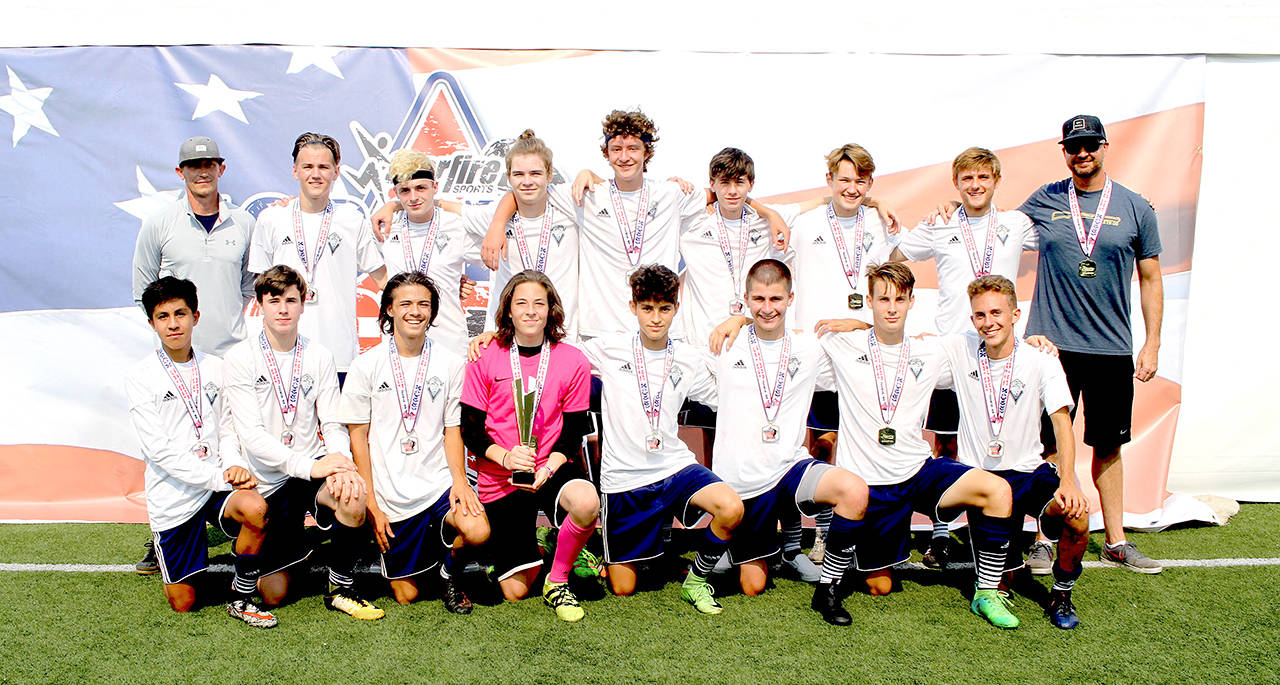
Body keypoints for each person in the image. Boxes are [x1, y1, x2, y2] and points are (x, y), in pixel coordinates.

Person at [936, 116, 1165, 573]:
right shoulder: (1046, 199)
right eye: (1073, 147)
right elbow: (992, 221)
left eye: (1089, 145)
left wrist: (1152, 342)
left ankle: (1117, 540)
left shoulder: (1137, 207)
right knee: (1049, 445)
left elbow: (1151, 277)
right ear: (1064, 151)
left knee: (1109, 446)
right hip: (1051, 347)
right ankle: (1044, 537)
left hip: (1112, 347)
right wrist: (953, 206)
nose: (1082, 154)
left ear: (1104, 146)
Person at [818, 262, 1020, 629]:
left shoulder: (934, 351)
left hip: (918, 470)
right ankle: (843, 560)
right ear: (870, 302)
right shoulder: (842, 345)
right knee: (879, 586)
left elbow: (994, 339)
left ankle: (987, 593)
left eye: (899, 299)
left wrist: (1034, 342)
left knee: (997, 490)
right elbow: (778, 338)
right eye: (883, 299)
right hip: (870, 485)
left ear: (912, 301)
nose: (891, 307)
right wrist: (738, 322)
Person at [890, 147, 1038, 568]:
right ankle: (940, 534)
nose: (975, 185)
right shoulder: (940, 224)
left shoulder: (1016, 223)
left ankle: (997, 530)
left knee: (994, 438)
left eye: (983, 178)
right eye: (967, 179)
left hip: (997, 353)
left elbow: (1066, 237)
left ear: (996, 181)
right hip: (951, 351)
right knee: (943, 440)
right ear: (956, 184)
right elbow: (895, 254)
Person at [707, 259, 869, 625]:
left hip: (790, 466)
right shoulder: (725, 344)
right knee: (752, 585)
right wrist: (739, 322)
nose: (768, 308)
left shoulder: (810, 347)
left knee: (853, 491)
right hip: (744, 479)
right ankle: (749, 548)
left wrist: (861, 322)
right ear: (746, 299)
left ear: (791, 298)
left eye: (776, 299)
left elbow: (876, 345)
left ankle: (828, 590)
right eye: (759, 299)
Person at [222, 265, 383, 620]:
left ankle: (341, 588)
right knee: (275, 594)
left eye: (291, 300)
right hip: (266, 479)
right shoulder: (239, 357)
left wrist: (339, 460)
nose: (283, 309)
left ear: (304, 303)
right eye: (274, 300)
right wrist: (312, 465)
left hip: (308, 473)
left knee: (353, 492)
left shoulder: (319, 355)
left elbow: (333, 421)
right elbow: (251, 436)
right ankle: (256, 570)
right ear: (259, 305)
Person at [580, 265, 743, 614]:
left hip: (673, 466)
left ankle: (696, 579)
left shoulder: (689, 357)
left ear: (676, 308)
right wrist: (494, 338)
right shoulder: (608, 349)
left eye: (664, 309)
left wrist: (741, 322)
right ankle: (584, 548)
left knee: (731, 507)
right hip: (624, 478)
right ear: (633, 307)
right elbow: (556, 358)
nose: (656, 318)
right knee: (623, 589)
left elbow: (729, 393)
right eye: (647, 308)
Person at [131, 136, 256, 575]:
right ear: (179, 172)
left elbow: (247, 283)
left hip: (229, 350)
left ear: (221, 167)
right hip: (179, 359)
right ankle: (163, 532)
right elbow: (144, 286)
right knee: (173, 445)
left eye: (209, 163)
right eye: (192, 165)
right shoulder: (160, 223)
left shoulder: (243, 222)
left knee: (234, 440)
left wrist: (220, 319)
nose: (202, 171)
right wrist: (174, 333)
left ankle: (245, 522)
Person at [937, 275, 1089, 629]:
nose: (988, 322)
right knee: (1002, 583)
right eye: (979, 315)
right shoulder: (959, 349)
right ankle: (1006, 566)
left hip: (1027, 473)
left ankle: (1062, 593)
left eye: (996, 313)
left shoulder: (1041, 359)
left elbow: (1061, 422)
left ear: (1015, 314)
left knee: (1077, 515)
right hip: (984, 482)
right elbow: (903, 347)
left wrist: (1069, 480)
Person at [125, 276, 276, 628]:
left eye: (180, 313)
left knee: (255, 507)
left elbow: (226, 428)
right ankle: (184, 563)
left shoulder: (216, 367)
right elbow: (158, 450)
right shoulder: (141, 376)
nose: (173, 324)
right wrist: (216, 476)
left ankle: (242, 596)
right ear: (152, 323)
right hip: (174, 493)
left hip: (215, 486)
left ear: (196, 316)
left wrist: (235, 465)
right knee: (184, 603)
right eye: (163, 317)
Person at [339, 272, 490, 611]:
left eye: (424, 304)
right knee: (407, 596)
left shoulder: (451, 364)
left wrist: (460, 482)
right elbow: (357, 438)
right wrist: (373, 503)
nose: (415, 311)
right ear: (389, 310)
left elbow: (453, 430)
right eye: (405, 303)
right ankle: (425, 559)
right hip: (391, 495)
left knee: (477, 529)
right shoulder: (365, 366)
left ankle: (450, 574)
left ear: (433, 312)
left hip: (436, 485)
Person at [461, 271, 598, 622]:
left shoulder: (573, 359)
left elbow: (573, 430)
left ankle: (559, 578)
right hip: (502, 473)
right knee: (516, 591)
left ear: (551, 309)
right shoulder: (486, 355)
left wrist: (549, 467)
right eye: (521, 303)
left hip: (550, 464)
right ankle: (544, 542)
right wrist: (506, 457)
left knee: (586, 503)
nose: (531, 311)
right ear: (508, 310)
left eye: (540, 302)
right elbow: (471, 431)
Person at [249, 132, 387, 377]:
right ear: (295, 171)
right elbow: (258, 290)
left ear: (336, 172)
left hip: (339, 355)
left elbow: (382, 277)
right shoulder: (271, 219)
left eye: (324, 167)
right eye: (308, 166)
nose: (316, 174)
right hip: (282, 355)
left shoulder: (352, 219)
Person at [378, 148, 484, 354]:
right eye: (405, 191)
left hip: (450, 345)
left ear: (435, 187)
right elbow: (368, 264)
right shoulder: (385, 227)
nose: (413, 197)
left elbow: (502, 258)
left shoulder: (456, 226)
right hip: (399, 347)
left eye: (421, 188)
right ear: (396, 193)